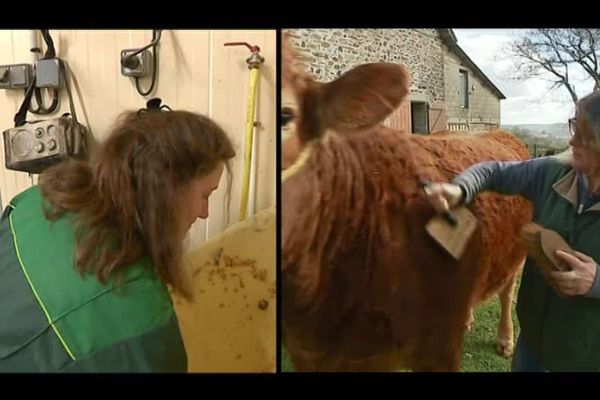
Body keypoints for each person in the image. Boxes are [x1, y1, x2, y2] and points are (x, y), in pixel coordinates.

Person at [0, 104, 235, 372]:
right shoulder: (145, 327)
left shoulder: (37, 203)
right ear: (168, 190)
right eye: (205, 195)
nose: (205, 213)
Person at [425, 91, 600, 372]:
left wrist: (596, 282)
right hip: (532, 345)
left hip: (587, 355)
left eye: (585, 133)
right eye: (573, 126)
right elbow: (493, 171)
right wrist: (458, 188)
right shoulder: (554, 173)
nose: (572, 140)